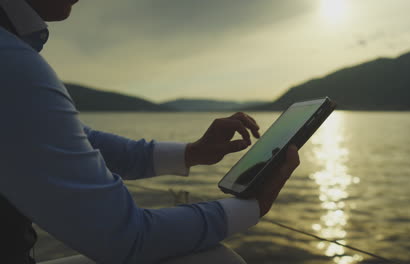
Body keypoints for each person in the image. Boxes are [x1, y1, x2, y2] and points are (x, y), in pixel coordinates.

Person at [0, 0, 300, 263]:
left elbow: (74, 140)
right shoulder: (12, 63)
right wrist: (252, 206)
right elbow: (126, 239)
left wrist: (190, 153)